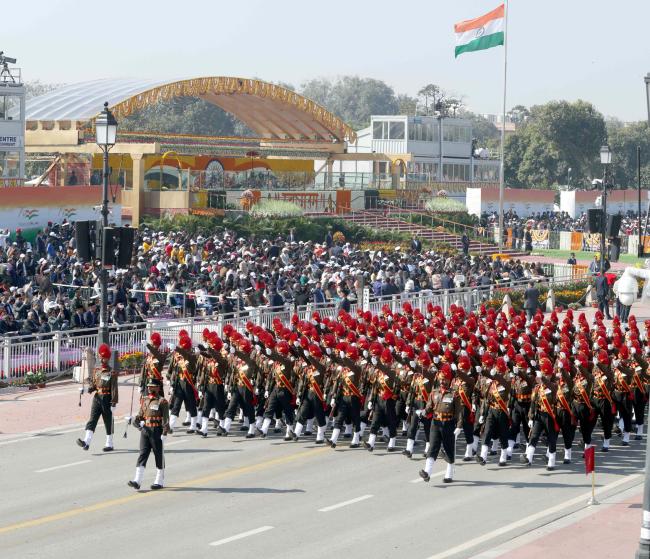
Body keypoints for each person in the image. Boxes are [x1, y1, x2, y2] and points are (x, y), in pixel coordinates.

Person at [128, 378, 169, 491]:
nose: (149, 388)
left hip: (156, 431)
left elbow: (165, 419)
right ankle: (137, 480)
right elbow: (140, 415)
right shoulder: (145, 400)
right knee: (142, 454)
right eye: (149, 386)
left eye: (152, 386)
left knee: (158, 455)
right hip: (145, 430)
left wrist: (164, 432)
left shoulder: (162, 401)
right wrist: (135, 421)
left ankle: (159, 480)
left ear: (158, 388)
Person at [76, 343, 118, 452]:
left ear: (108, 358)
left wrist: (114, 402)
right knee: (92, 419)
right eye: (100, 356)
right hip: (97, 397)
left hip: (107, 398)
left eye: (103, 357)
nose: (101, 358)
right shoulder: (97, 370)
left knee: (108, 421)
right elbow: (94, 385)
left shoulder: (111, 372)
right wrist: (85, 390)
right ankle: (86, 442)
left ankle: (109, 443)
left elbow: (114, 388)